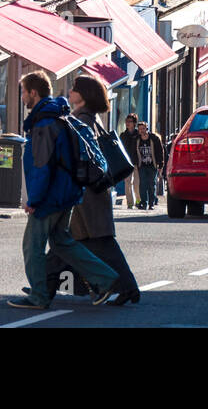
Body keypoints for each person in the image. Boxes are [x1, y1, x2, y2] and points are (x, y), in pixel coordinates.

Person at [7, 71, 120, 311]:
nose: (23, 96)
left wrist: (34, 199)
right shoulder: (60, 117)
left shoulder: (45, 123)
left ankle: (38, 296)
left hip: (51, 196)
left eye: (24, 92)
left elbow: (42, 166)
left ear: (33, 93)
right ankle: (105, 279)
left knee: (32, 245)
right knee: (62, 242)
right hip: (68, 192)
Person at [42, 74, 141, 305]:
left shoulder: (80, 122)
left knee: (87, 242)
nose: (70, 91)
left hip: (84, 194)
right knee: (69, 242)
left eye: (75, 88)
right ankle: (44, 286)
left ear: (84, 95)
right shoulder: (91, 119)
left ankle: (127, 288)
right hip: (92, 193)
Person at [135, 121, 164, 210]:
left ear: (147, 128)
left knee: (152, 184)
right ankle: (144, 203)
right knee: (142, 184)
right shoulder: (137, 139)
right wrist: (135, 163)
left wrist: (160, 163)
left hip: (152, 165)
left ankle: (151, 203)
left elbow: (160, 151)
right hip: (142, 165)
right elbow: (134, 152)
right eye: (140, 129)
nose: (141, 131)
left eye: (143, 128)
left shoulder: (154, 138)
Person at [120, 114, 140, 208]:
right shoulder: (123, 135)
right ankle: (130, 203)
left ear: (134, 123)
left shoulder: (138, 135)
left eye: (130, 121)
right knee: (127, 183)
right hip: (126, 163)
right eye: (126, 121)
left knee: (137, 183)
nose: (127, 123)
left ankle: (138, 201)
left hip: (136, 162)